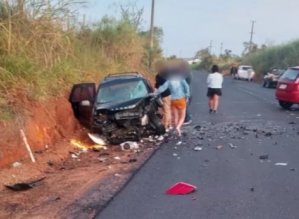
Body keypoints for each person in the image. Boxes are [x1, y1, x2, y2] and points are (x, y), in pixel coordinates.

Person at [152, 68, 190, 136]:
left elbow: (162, 88)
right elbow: (187, 87)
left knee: (175, 116)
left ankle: (177, 130)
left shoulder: (169, 80)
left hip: (172, 100)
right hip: (181, 98)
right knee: (182, 116)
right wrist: (187, 96)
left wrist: (154, 93)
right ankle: (178, 127)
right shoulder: (181, 79)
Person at [154, 61, 172, 131]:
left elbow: (159, 86)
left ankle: (166, 125)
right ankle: (168, 124)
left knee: (166, 110)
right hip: (167, 94)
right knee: (167, 110)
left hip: (165, 95)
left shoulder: (160, 76)